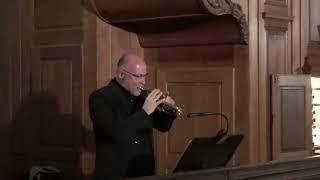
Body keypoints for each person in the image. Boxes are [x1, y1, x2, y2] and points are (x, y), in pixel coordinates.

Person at [89, 54, 177, 180]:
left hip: (144, 171)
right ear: (121, 75)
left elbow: (163, 126)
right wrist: (145, 111)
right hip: (116, 173)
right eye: (138, 76)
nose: (143, 81)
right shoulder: (101, 98)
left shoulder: (142, 97)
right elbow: (114, 132)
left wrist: (168, 111)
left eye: (144, 75)